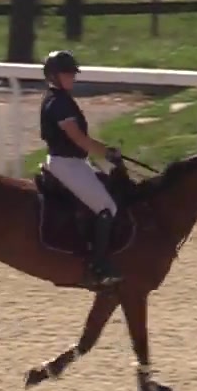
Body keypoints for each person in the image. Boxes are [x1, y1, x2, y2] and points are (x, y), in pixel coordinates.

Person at [39, 49, 124, 286]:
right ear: (54, 76)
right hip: (66, 163)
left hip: (73, 161)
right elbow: (78, 138)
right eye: (67, 74)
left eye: (72, 73)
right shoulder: (58, 104)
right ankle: (98, 265)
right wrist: (106, 152)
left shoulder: (61, 99)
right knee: (107, 207)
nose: (72, 77)